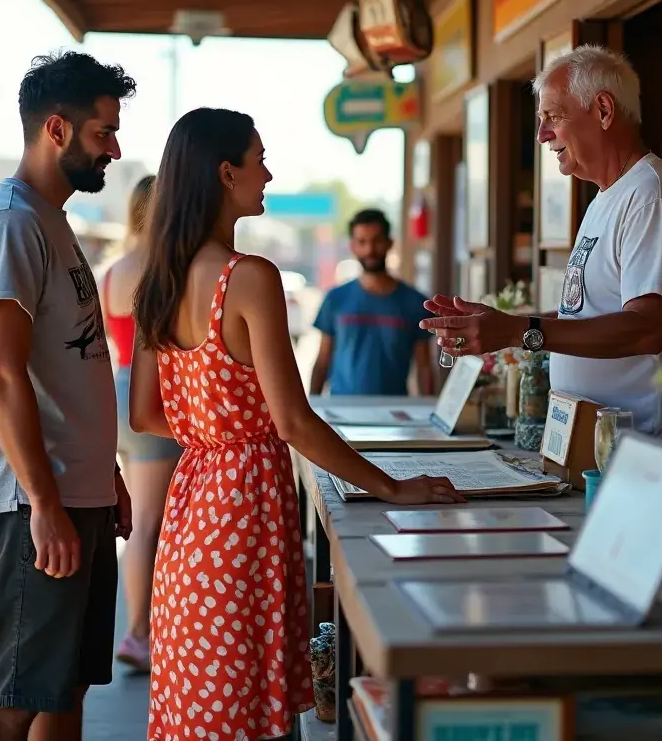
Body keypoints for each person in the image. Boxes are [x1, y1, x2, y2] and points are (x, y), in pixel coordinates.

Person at [131, 108, 462, 741]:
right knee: (252, 712)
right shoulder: (248, 277)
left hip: (190, 519)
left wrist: (214, 432)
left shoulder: (160, 280)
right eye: (259, 160)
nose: (268, 173)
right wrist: (391, 487)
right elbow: (294, 421)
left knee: (204, 707)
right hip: (243, 515)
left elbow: (146, 414)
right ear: (226, 174)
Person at [0, 51, 136, 741]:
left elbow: (65, 368)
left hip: (71, 494)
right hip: (28, 504)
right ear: (55, 130)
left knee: (62, 695)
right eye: (102, 133)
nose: (114, 149)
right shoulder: (10, 224)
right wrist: (46, 502)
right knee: (12, 703)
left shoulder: (50, 220)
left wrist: (104, 474)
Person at [422, 45, 662, 436]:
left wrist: (516, 331)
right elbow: (585, 316)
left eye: (553, 117)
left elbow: (646, 328)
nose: (541, 135)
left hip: (640, 449)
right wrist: (504, 325)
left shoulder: (650, 196)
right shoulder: (608, 197)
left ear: (603, 110)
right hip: (595, 445)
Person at [100, 174, 181, 675]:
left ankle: (139, 627)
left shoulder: (111, 271)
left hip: (117, 388)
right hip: (154, 395)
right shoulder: (164, 270)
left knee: (138, 519)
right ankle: (136, 632)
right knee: (148, 522)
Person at [309, 209, 434, 397]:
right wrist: (313, 407)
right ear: (353, 246)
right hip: (341, 411)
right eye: (362, 242)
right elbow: (322, 361)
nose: (370, 250)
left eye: (377, 241)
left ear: (389, 243)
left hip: (394, 413)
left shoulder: (415, 302)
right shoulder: (335, 298)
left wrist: (428, 412)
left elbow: (424, 366)